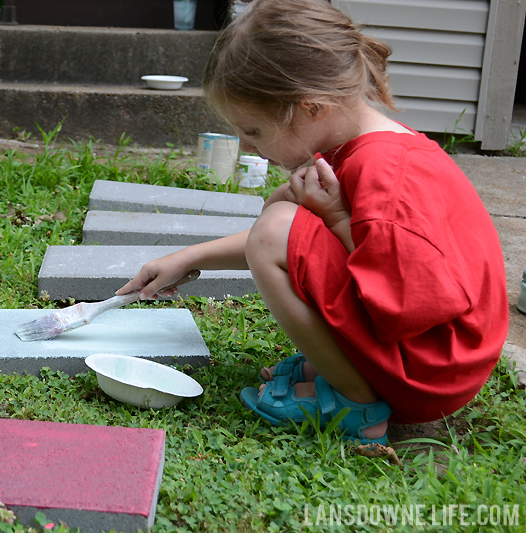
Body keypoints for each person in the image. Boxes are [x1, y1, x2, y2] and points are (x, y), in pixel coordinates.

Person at [116, 0, 508, 445]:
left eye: (256, 131)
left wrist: (336, 219)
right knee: (284, 219)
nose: (249, 145)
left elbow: (412, 302)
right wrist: (190, 258)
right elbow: (314, 246)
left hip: (432, 369)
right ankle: (341, 367)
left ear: (311, 107)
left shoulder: (384, 177)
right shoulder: (360, 148)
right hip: (435, 354)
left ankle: (356, 403)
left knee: (274, 228)